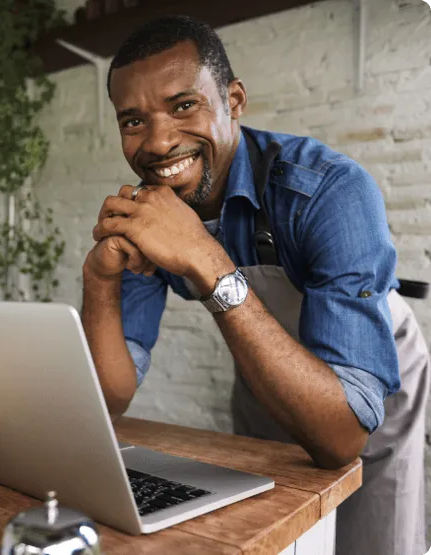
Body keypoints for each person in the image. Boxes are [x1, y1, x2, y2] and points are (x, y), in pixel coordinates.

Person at [81, 15, 430, 555]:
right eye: (133, 121)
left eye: (183, 106)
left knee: (372, 541)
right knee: (273, 534)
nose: (159, 142)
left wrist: (205, 259)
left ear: (234, 100)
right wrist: (100, 279)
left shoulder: (328, 192)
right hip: (264, 381)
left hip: (372, 393)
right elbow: (112, 394)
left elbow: (342, 437)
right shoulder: (151, 213)